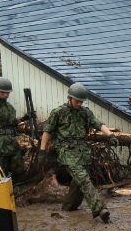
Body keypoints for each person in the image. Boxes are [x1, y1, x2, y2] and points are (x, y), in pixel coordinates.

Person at [38, 83, 118, 223]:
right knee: (83, 179)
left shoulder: (85, 112)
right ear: (69, 98)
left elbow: (98, 124)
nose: (79, 103)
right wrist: (42, 150)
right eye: (77, 101)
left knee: (78, 182)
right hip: (66, 151)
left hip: (82, 151)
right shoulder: (58, 112)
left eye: (82, 101)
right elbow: (47, 131)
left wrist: (110, 135)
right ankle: (100, 209)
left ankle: (68, 207)